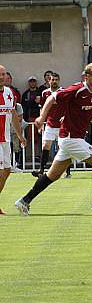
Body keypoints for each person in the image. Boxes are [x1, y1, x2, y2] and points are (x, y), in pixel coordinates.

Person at [17, 63, 92, 215]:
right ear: (87, 77)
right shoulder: (76, 90)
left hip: (73, 139)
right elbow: (51, 99)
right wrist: (42, 117)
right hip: (71, 138)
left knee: (52, 175)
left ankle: (24, 201)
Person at [0, 65, 26, 215]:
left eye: (4, 74)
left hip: (6, 139)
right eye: (0, 74)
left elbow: (14, 114)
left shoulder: (9, 93)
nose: (2, 77)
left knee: (7, 170)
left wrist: (20, 135)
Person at [35, 73, 62, 179]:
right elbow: (42, 107)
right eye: (52, 79)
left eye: (56, 79)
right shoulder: (45, 93)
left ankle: (67, 171)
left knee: (63, 147)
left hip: (61, 125)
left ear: (59, 80)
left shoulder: (63, 92)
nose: (54, 81)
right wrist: (41, 123)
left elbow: (67, 106)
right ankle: (41, 170)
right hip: (50, 124)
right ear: (48, 81)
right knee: (46, 146)